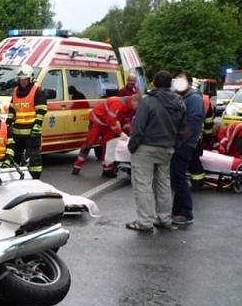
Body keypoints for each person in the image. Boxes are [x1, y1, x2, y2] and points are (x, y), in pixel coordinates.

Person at [125, 70, 187, 232]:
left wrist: (132, 146)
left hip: (145, 148)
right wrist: (175, 144)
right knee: (164, 184)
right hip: (167, 148)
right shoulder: (180, 102)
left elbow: (138, 127)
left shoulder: (148, 102)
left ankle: (145, 222)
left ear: (154, 83)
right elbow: (183, 129)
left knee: (143, 185)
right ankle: (164, 218)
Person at [72, 94, 140, 177]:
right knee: (89, 142)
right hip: (98, 120)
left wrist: (130, 132)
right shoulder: (119, 103)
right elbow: (111, 120)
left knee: (109, 146)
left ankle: (107, 169)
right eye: (137, 105)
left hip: (107, 124)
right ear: (134, 101)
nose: (137, 108)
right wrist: (120, 133)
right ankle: (77, 165)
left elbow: (125, 120)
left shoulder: (129, 106)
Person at [170, 71, 204, 226]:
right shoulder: (184, 97)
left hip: (185, 144)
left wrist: (178, 141)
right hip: (181, 143)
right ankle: (177, 211)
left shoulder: (194, 99)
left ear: (189, 83)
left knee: (179, 178)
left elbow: (193, 124)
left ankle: (186, 213)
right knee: (176, 178)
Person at [3, 64, 46, 179]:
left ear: (30, 78)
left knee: (34, 158)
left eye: (24, 79)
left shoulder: (37, 90)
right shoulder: (16, 90)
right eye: (20, 79)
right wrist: (8, 122)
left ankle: (35, 179)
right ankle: (14, 178)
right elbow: (12, 109)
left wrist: (37, 125)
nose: (22, 81)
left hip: (32, 132)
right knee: (15, 156)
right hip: (17, 132)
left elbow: (41, 110)